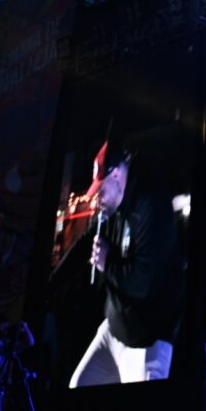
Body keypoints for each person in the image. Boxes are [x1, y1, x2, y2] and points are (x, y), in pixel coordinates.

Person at [59, 146, 183, 386]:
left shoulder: (150, 205)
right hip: (114, 330)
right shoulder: (112, 206)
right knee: (78, 386)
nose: (98, 197)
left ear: (116, 175)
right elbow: (85, 243)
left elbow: (143, 283)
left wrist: (107, 263)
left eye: (101, 188)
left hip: (147, 341)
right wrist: (49, 284)